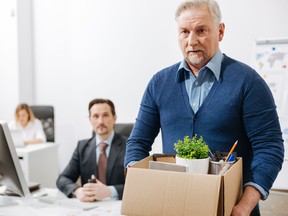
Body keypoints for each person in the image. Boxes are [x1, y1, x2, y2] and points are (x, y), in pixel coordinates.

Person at [124, 0, 284, 215]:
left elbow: (269, 147)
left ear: (220, 31)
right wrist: (138, 180)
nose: (192, 41)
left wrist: (245, 206)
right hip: (173, 207)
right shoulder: (159, 83)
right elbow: (137, 142)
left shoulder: (248, 82)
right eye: (184, 32)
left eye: (201, 30)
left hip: (232, 210)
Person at [56, 98, 126, 201]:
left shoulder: (129, 146)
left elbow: (140, 185)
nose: (100, 121)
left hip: (120, 206)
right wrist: (77, 191)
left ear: (114, 118)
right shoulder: (82, 147)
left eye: (105, 115)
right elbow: (63, 179)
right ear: (90, 119)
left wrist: (110, 191)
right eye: (95, 116)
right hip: (91, 207)